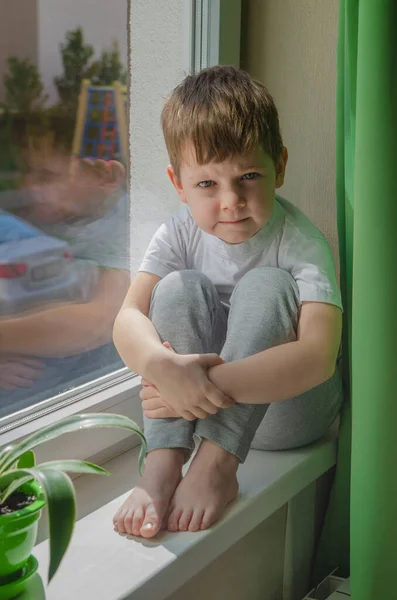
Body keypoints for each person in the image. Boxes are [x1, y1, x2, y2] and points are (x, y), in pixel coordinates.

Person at [112, 65, 343, 539]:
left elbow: (318, 358)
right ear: (179, 184)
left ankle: (217, 464)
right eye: (207, 185)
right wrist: (164, 368)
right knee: (176, 287)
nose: (231, 201)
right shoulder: (177, 231)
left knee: (266, 285)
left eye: (249, 176)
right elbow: (128, 318)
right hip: (197, 407)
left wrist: (200, 385)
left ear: (279, 166)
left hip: (285, 411)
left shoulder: (301, 241)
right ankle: (163, 464)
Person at [0, 157, 130, 417]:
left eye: (48, 176)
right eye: (27, 175)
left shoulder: (127, 225)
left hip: (84, 391)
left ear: (107, 176)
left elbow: (101, 321)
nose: (31, 188)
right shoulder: (52, 221)